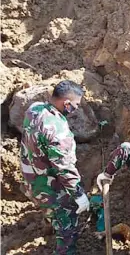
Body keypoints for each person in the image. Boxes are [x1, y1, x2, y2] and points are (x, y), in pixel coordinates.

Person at [20, 80, 89, 255]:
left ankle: (51, 221)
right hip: (51, 189)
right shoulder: (57, 131)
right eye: (75, 105)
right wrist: (79, 196)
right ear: (66, 103)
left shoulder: (34, 109)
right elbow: (64, 169)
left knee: (50, 212)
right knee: (68, 228)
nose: (76, 109)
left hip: (31, 180)